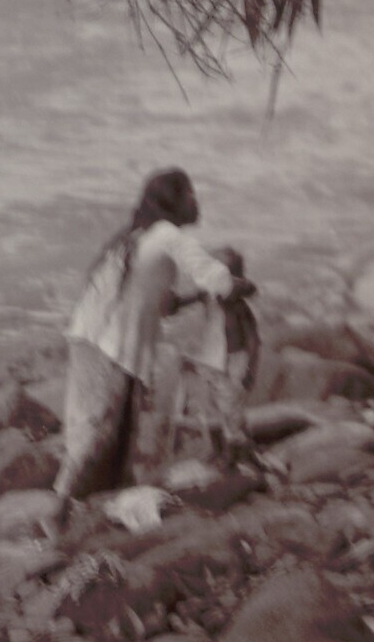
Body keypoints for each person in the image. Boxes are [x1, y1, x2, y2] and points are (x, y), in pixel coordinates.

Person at [56, 168, 247, 499]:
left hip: (97, 337)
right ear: (174, 202)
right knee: (97, 429)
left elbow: (165, 304)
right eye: (190, 195)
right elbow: (216, 278)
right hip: (108, 345)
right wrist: (241, 286)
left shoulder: (140, 237)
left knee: (112, 429)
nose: (196, 202)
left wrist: (198, 297)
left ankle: (98, 499)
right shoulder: (168, 235)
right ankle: (60, 506)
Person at [168, 246, 261, 464]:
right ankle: (218, 451)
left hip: (235, 361)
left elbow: (253, 341)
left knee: (231, 409)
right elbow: (183, 301)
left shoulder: (240, 309)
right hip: (210, 359)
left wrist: (250, 369)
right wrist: (174, 302)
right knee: (210, 407)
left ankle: (236, 455)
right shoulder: (208, 297)